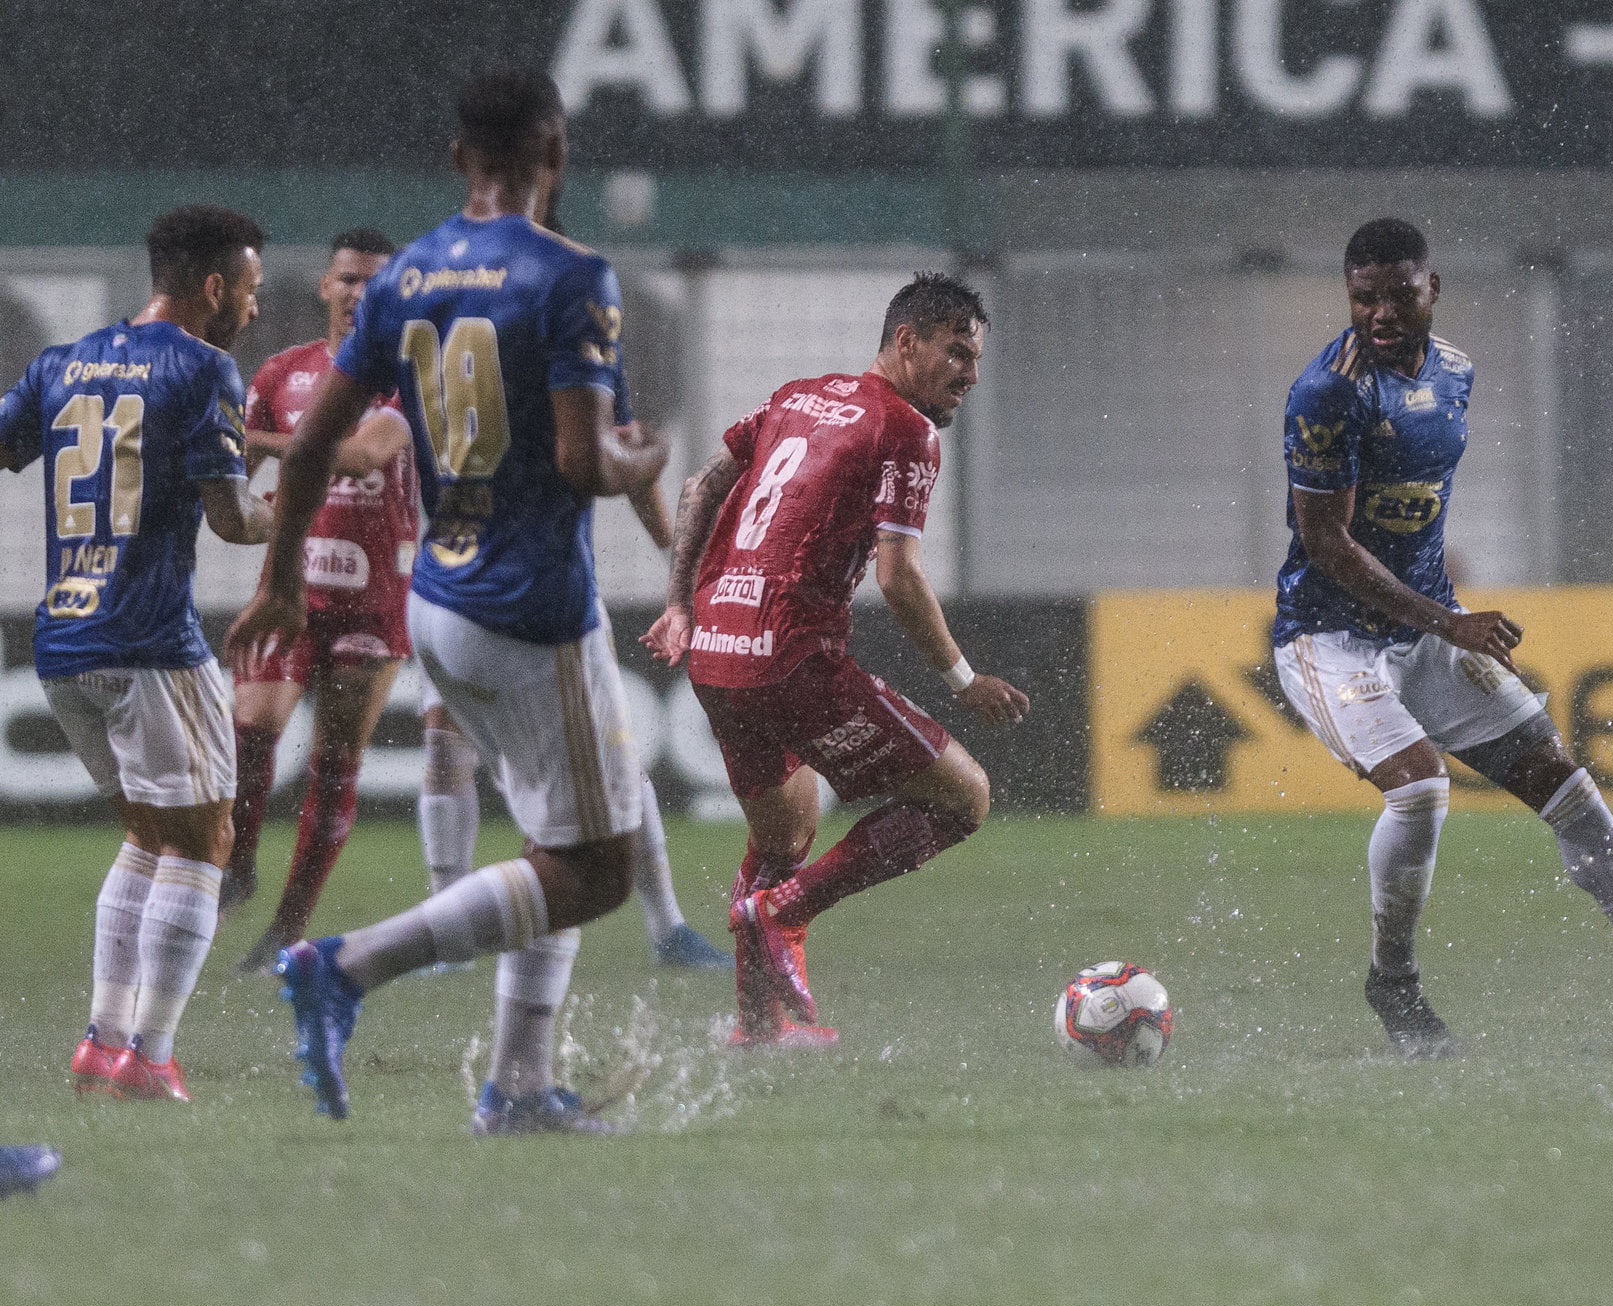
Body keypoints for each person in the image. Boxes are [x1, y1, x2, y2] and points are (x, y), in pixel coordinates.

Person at [227, 68, 668, 1131]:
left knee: (557, 841)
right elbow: (575, 459)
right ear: (555, 156)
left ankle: (517, 1086)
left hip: (435, 599)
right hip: (531, 606)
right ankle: (349, 964)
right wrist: (636, 465)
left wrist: (282, 578)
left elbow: (316, 444)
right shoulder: (571, 275)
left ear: (459, 160)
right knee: (597, 869)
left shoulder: (409, 274)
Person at [1272, 218, 1613, 1058]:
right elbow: (1328, 545)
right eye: (1365, 298)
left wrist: (1439, 616)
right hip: (1330, 639)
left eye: (1400, 293)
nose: (1382, 313)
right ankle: (1392, 981)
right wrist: (1449, 619)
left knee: (1573, 795)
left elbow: (1413, 507)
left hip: (1426, 631)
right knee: (1421, 789)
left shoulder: (1457, 374)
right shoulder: (1327, 394)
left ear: (1432, 287)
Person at [644, 272, 1030, 1048]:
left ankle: (756, 1026)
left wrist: (680, 601)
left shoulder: (797, 396)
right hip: (790, 655)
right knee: (964, 798)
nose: (970, 374)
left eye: (977, 358)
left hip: (716, 651)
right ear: (906, 342)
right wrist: (962, 677)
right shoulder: (906, 431)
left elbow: (700, 485)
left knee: (785, 834)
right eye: (957, 352)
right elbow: (898, 573)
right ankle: (789, 909)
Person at [0, 204, 275, 1101]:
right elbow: (234, 520)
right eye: (249, 288)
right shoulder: (204, 368)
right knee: (205, 844)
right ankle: (150, 1057)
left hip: (64, 639)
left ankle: (101, 1040)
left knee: (149, 838)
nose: (253, 307)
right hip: (150, 640)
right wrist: (291, 510)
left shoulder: (62, 361)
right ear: (210, 287)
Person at [416, 380, 731, 973]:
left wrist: (673, 555)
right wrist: (651, 457)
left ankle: (667, 926)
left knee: (605, 764)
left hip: (524, 591)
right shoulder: (475, 314)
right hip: (464, 581)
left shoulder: (552, 329)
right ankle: (447, 930)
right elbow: (609, 464)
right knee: (447, 749)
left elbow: (611, 459)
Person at [222, 229, 418, 971]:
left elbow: (368, 454)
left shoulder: (408, 376)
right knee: (254, 727)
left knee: (336, 761)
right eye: (349, 279)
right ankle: (239, 862)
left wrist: (273, 444)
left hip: (376, 599)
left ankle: (289, 926)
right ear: (325, 288)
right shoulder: (280, 372)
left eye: (376, 281)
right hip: (288, 586)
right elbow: (234, 466)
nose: (360, 292)